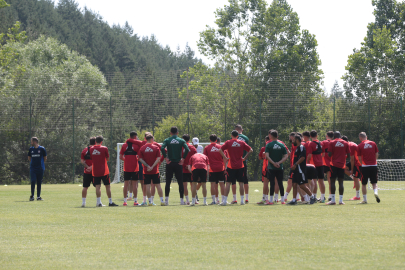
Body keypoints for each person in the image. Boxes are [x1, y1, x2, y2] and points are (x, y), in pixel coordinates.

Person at [219, 130, 253, 206]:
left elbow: (220, 149)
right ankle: (242, 201)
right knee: (241, 183)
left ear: (231, 135)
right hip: (240, 165)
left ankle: (224, 201)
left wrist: (225, 157)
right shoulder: (241, 142)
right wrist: (245, 158)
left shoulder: (228, 142)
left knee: (228, 183)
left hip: (231, 166)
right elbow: (251, 150)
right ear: (238, 136)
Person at [161, 126, 189, 205]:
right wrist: (183, 159)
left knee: (168, 182)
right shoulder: (181, 140)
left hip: (169, 163)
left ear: (170, 133)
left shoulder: (167, 140)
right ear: (177, 133)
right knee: (180, 182)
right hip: (178, 163)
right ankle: (181, 201)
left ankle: (166, 201)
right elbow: (187, 149)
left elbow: (162, 148)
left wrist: (166, 158)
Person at [287, 135, 317, 205]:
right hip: (296, 170)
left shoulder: (301, 147)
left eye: (294, 139)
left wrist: (295, 164)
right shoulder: (297, 148)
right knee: (294, 184)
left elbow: (303, 157)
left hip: (300, 170)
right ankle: (294, 200)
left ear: (297, 140)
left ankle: (312, 197)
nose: (292, 141)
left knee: (302, 185)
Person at [90, 135, 118, 207]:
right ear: (101, 142)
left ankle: (98, 202)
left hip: (95, 170)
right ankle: (110, 202)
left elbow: (91, 158)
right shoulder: (104, 148)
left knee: (97, 186)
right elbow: (108, 159)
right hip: (104, 170)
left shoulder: (91, 149)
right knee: (107, 186)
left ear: (95, 141)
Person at [138, 134, 165, 206]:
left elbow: (140, 159)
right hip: (155, 170)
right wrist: (152, 166)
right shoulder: (156, 147)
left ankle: (150, 202)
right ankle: (162, 201)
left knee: (147, 186)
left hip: (146, 170)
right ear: (151, 139)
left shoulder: (142, 148)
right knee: (158, 185)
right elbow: (159, 158)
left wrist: (147, 166)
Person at [119, 131, 144, 206]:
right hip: (134, 168)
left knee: (126, 184)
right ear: (135, 137)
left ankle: (124, 201)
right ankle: (135, 201)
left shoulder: (124, 145)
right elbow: (139, 157)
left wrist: (126, 160)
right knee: (135, 184)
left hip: (126, 167)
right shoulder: (136, 146)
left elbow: (120, 157)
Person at [265, 130, 289, 205]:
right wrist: (279, 163)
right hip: (280, 167)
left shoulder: (268, 145)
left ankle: (271, 201)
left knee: (272, 183)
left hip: (271, 167)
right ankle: (282, 200)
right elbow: (286, 156)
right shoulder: (281, 145)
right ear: (277, 136)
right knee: (280, 183)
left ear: (271, 136)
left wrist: (273, 163)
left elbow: (267, 156)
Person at [326, 131, 350, 205]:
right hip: (342, 165)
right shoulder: (346, 143)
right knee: (341, 182)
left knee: (332, 181)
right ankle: (341, 201)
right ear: (340, 136)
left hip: (333, 165)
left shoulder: (331, 142)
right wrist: (343, 157)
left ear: (334, 136)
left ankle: (333, 200)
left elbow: (329, 154)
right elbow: (348, 155)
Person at [357, 132, 380, 203]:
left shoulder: (360, 145)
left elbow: (359, 157)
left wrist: (362, 164)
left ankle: (365, 199)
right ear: (366, 137)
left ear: (360, 138)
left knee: (364, 183)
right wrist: (374, 161)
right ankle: (375, 192)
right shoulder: (373, 143)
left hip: (365, 166)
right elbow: (376, 154)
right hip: (373, 165)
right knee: (374, 182)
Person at [203, 134, 227, 205]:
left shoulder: (207, 148)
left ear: (210, 140)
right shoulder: (221, 147)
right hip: (221, 168)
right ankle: (223, 200)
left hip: (212, 169)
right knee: (222, 184)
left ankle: (214, 200)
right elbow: (225, 158)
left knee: (213, 184)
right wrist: (225, 167)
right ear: (216, 140)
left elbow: (205, 158)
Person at [342, 136, 362, 201]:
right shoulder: (350, 144)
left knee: (356, 179)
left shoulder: (350, 146)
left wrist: (352, 170)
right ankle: (353, 177)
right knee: (343, 168)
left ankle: (357, 196)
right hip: (355, 161)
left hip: (358, 163)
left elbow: (352, 159)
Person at [308, 130, 326, 202]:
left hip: (313, 165)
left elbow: (309, 155)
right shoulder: (321, 143)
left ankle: (314, 197)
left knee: (314, 181)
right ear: (317, 136)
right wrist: (319, 159)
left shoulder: (311, 144)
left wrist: (307, 162)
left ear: (310, 136)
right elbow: (323, 154)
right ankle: (322, 198)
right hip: (321, 164)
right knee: (321, 181)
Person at [28, 137, 47, 201]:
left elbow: (45, 158)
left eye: (32, 141)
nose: (31, 143)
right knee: (33, 181)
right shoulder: (31, 149)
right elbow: (29, 157)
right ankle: (32, 196)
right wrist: (33, 164)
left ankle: (38, 197)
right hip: (33, 168)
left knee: (39, 182)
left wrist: (41, 164)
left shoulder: (42, 149)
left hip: (40, 168)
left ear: (35, 142)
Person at [235, 124, 250, 203]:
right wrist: (245, 158)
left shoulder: (233, 138)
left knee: (233, 180)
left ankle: (234, 199)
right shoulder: (246, 138)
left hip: (234, 162)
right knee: (245, 179)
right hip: (243, 161)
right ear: (241, 130)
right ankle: (246, 198)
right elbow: (248, 150)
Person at [80, 137, 95, 207]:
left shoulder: (84, 150)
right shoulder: (96, 150)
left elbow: (82, 161)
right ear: (95, 142)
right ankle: (99, 202)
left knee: (85, 187)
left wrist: (87, 167)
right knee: (98, 187)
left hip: (86, 172)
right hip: (95, 172)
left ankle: (83, 203)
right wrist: (92, 167)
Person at [182, 134, 197, 205]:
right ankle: (195, 200)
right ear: (189, 140)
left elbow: (179, 158)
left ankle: (187, 200)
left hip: (183, 169)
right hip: (192, 169)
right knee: (193, 185)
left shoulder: (181, 147)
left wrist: (185, 165)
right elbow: (196, 158)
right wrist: (190, 165)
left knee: (185, 185)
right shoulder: (193, 148)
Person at [283, 132, 297, 202]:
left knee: (290, 181)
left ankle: (285, 197)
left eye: (292, 139)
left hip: (294, 165)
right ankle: (298, 197)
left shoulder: (296, 145)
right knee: (295, 182)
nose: (291, 140)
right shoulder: (293, 144)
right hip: (293, 165)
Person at [257, 136, 270, 204]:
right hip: (274, 166)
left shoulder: (263, 148)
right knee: (275, 183)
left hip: (266, 167)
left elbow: (260, 157)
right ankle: (274, 199)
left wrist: (264, 158)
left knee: (265, 183)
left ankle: (265, 198)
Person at [322, 131, 334, 201]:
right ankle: (330, 196)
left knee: (321, 180)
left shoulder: (323, 142)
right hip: (331, 163)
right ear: (332, 137)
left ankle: (322, 196)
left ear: (326, 136)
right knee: (330, 181)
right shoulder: (333, 143)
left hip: (323, 163)